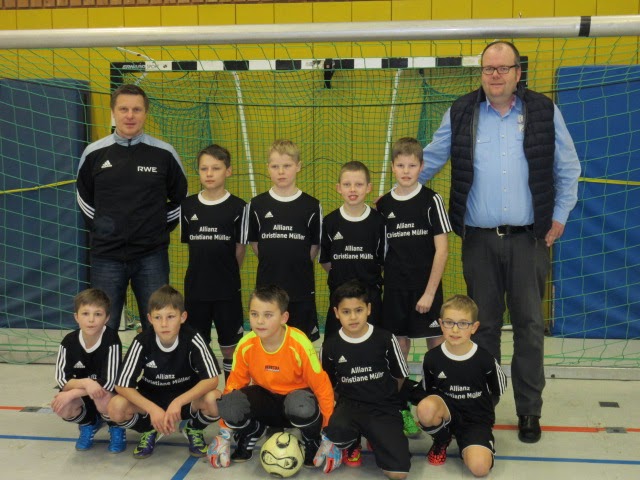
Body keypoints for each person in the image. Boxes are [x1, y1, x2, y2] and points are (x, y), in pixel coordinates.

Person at [419, 40, 581, 443]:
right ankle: (482, 408)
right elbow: (431, 158)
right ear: (481, 73)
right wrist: (397, 196)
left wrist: (560, 215)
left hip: (529, 239)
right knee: (483, 328)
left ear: (517, 72)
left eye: (503, 68)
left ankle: (529, 411)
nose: (495, 75)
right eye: (489, 68)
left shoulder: (544, 111)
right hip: (478, 241)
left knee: (529, 328)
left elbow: (568, 167)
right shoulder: (462, 111)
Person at [76, 84, 188, 332]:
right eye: (123, 109)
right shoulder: (93, 153)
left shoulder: (164, 154)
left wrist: (158, 227)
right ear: (113, 112)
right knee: (102, 327)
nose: (130, 115)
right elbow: (83, 197)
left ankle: (153, 361)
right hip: (106, 256)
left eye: (136, 110)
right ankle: (107, 361)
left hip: (151, 255)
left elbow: (182, 198)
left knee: (159, 326)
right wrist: (102, 229)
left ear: (145, 113)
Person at [207, 284, 334, 469]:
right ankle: (253, 431)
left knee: (301, 404)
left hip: (296, 405)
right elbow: (234, 385)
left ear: (284, 317)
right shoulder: (246, 345)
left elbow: (322, 387)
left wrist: (328, 433)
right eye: (254, 314)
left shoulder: (299, 344)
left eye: (268, 315)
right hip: (266, 403)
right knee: (229, 403)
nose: (260, 321)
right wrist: (223, 434)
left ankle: (311, 440)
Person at [376, 136, 452, 437]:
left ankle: (440, 410)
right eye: (400, 165)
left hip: (426, 290)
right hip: (396, 291)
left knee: (437, 349)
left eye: (411, 165)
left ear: (421, 166)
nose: (406, 171)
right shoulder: (383, 205)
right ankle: (399, 411)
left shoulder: (431, 200)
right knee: (399, 350)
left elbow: (442, 250)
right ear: (393, 167)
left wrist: (430, 293)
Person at [108, 285, 221, 459]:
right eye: (158, 317)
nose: (164, 324)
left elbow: (212, 379)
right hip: (151, 398)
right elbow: (122, 386)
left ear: (183, 317)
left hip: (185, 400)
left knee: (216, 400)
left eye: (170, 317)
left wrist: (179, 401)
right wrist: (152, 409)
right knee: (116, 407)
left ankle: (194, 428)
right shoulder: (142, 342)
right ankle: (149, 429)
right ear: (149, 319)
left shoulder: (193, 338)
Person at [315, 279, 411, 479]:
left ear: (368, 309)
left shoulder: (386, 339)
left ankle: (377, 437)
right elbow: (327, 383)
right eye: (346, 311)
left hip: (382, 407)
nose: (353, 317)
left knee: (398, 473)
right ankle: (352, 441)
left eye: (358, 310)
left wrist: (385, 397)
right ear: (336, 313)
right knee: (336, 430)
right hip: (349, 406)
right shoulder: (331, 346)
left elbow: (400, 376)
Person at [403, 295, 507, 477]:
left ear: (474, 327)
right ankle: (442, 439)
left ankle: (471, 443)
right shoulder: (432, 358)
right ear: (441, 324)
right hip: (447, 413)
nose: (455, 329)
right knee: (426, 408)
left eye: (463, 323)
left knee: (480, 469)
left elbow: (498, 389)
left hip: (475, 420)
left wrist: (482, 412)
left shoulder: (485, 359)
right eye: (449, 323)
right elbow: (427, 389)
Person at [180, 144, 248, 380]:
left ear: (228, 171)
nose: (209, 174)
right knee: (197, 345)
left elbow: (240, 250)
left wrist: (226, 275)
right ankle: (200, 393)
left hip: (226, 290)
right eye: (204, 168)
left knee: (230, 347)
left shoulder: (239, 207)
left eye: (216, 168)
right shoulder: (188, 206)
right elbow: (193, 248)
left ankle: (231, 393)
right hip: (196, 289)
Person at [247, 139, 322, 341]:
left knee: (301, 343)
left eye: (287, 166)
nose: (281, 172)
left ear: (298, 166)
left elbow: (314, 247)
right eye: (275, 166)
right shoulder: (257, 205)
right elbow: (255, 244)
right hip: (268, 292)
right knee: (268, 342)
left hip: (300, 289)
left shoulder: (311, 205)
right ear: (268, 168)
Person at [52, 288, 126, 453]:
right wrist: (86, 383)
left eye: (98, 314)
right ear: (76, 317)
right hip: (85, 394)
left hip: (105, 394)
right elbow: (62, 379)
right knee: (62, 406)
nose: (91, 320)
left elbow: (109, 381)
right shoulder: (68, 342)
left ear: (107, 318)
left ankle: (115, 426)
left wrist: (73, 393)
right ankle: (88, 424)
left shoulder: (111, 339)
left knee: (102, 397)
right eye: (85, 314)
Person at [319, 161, 386, 338]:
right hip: (339, 296)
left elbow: (382, 260)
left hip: (370, 297)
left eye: (359, 184)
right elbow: (326, 261)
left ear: (369, 187)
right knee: (335, 345)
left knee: (372, 345)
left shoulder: (379, 222)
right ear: (338, 188)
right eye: (347, 184)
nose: (353, 189)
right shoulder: (330, 222)